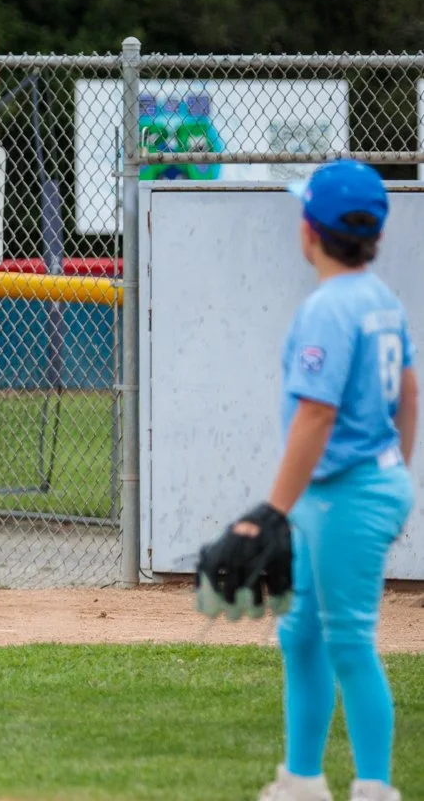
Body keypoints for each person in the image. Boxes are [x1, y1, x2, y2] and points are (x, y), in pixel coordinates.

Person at [195, 160, 415, 801]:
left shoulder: (328, 308)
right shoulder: (380, 299)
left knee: (348, 641)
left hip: (344, 493)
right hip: (360, 486)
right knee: (302, 633)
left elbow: (316, 415)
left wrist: (271, 511)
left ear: (310, 231)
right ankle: (302, 780)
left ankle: (375, 788)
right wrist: (394, 470)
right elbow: (409, 393)